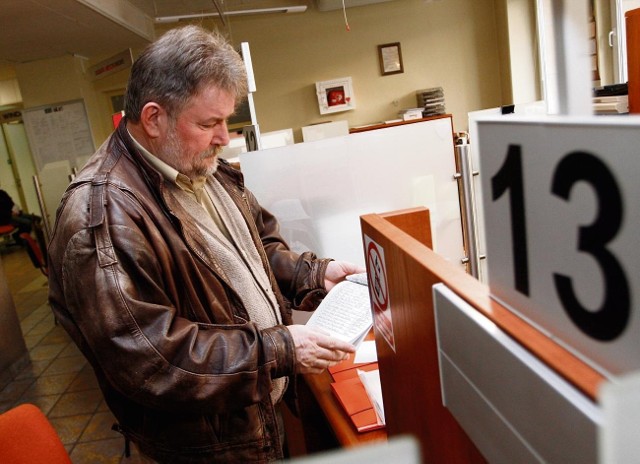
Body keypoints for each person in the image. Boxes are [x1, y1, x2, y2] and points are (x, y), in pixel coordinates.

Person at [47, 25, 363, 463]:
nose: (225, 138)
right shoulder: (100, 215)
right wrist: (277, 349)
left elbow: (255, 250)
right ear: (154, 118)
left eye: (226, 121)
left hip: (253, 418)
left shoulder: (199, 166)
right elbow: (152, 360)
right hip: (204, 447)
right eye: (209, 123)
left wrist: (313, 274)